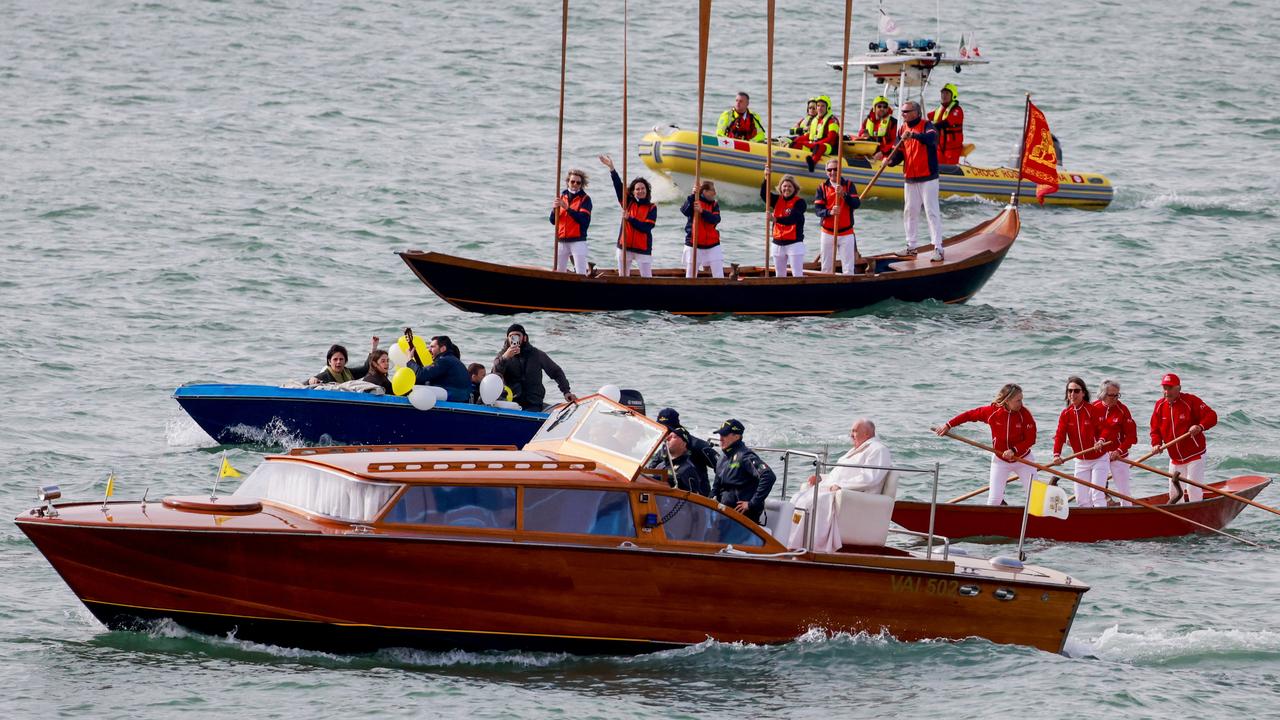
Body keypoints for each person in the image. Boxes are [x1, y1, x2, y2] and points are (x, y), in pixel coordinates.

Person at [788, 418, 893, 553]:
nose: (851, 435)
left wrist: (842, 486)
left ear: (867, 433)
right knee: (798, 498)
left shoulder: (879, 450)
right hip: (836, 488)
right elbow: (840, 474)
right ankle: (793, 541)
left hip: (855, 495)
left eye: (855, 431)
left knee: (812, 502)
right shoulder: (857, 449)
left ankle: (808, 546)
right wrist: (822, 479)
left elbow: (870, 478)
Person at [934, 383, 1037, 506]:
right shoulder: (993, 412)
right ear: (1007, 400)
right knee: (994, 501)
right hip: (1000, 461)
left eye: (1021, 399)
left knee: (1036, 499)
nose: (1021, 403)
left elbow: (1031, 439)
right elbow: (969, 415)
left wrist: (1014, 450)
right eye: (1018, 400)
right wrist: (948, 425)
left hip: (1023, 460)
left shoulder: (1025, 414)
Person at [885, 100, 944, 262]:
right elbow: (898, 152)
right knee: (910, 211)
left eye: (906, 111)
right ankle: (911, 247)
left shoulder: (927, 125)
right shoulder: (902, 129)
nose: (903, 114)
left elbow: (932, 139)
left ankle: (938, 247)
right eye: (902, 111)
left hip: (928, 177)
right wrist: (890, 161)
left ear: (916, 113)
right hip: (910, 178)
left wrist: (914, 135)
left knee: (932, 212)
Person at [1149, 373, 1217, 503]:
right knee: (1174, 493)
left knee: (1193, 489)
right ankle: (1176, 519)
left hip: (1195, 456)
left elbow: (1211, 416)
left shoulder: (1190, 401)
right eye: (1164, 388)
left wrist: (1200, 426)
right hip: (1175, 458)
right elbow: (1155, 430)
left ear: (1178, 388)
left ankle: (1196, 515)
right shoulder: (1159, 405)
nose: (1166, 391)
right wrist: (1156, 444)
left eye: (1169, 388)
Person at [1050, 376, 1109, 508]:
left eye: (1076, 391)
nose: (1072, 394)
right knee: (1081, 499)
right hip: (1080, 461)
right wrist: (1056, 454)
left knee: (1097, 494)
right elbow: (1059, 436)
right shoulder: (1066, 414)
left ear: (1083, 393)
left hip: (1099, 459)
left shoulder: (1092, 410)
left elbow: (1105, 429)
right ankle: (1088, 526)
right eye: (1070, 391)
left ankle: (1102, 525)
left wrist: (1100, 440)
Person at [492, 323, 577, 412]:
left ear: (524, 338)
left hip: (533, 403)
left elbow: (556, 372)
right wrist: (505, 358)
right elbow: (494, 376)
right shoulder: (502, 356)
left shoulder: (537, 354)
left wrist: (566, 391)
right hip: (511, 403)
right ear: (507, 339)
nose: (514, 339)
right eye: (511, 336)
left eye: (517, 336)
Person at [599, 154, 656, 278]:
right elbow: (618, 186)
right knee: (623, 278)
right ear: (633, 191)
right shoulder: (628, 202)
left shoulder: (652, 207)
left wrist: (630, 218)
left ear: (647, 190)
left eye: (643, 188)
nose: (640, 191)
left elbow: (646, 227)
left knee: (647, 278)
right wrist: (611, 168)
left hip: (643, 249)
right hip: (624, 247)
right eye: (637, 189)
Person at [711, 418, 777, 525]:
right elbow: (716, 487)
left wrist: (752, 504)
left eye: (725, 435)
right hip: (723, 514)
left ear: (737, 437)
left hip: (743, 518)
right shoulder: (722, 458)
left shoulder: (745, 456)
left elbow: (768, 476)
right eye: (720, 435)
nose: (721, 438)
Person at [1093, 379, 1137, 506]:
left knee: (1124, 492)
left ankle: (1127, 516)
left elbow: (1131, 437)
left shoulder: (1123, 410)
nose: (1115, 398)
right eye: (1111, 395)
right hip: (1098, 458)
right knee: (1095, 491)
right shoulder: (1093, 408)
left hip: (1119, 456)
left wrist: (1119, 451)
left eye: (1117, 395)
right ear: (1102, 394)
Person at [813, 158, 861, 275]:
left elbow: (856, 204)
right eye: (830, 170)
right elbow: (818, 211)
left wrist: (843, 195)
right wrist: (830, 212)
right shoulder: (822, 187)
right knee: (826, 269)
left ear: (840, 170)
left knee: (848, 269)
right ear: (826, 171)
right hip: (828, 233)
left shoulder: (849, 185)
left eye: (835, 169)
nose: (833, 172)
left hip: (846, 233)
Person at [655, 407, 719, 491]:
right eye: (659, 428)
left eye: (666, 429)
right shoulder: (664, 448)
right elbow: (652, 469)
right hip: (671, 494)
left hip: (698, 495)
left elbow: (721, 467)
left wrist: (715, 493)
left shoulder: (698, 446)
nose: (663, 433)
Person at [760, 174, 807, 277]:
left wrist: (775, 219)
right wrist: (766, 177)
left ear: (795, 188)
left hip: (794, 244)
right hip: (777, 243)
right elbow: (764, 194)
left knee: (797, 275)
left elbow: (792, 219)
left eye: (790, 186)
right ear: (780, 188)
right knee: (780, 275)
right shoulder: (776, 200)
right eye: (784, 186)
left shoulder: (800, 202)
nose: (787, 189)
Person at [550, 168, 592, 274]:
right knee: (559, 272)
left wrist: (567, 208)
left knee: (580, 272)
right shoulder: (561, 197)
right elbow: (553, 221)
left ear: (581, 184)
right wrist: (554, 209)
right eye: (572, 181)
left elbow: (583, 220)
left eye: (578, 182)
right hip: (561, 240)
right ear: (568, 182)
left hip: (578, 241)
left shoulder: (585, 199)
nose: (575, 184)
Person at [408, 335, 471, 403]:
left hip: (453, 396)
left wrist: (410, 360)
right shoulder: (453, 360)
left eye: (432, 347)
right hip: (462, 397)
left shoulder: (445, 360)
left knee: (408, 389)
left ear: (443, 349)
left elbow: (421, 375)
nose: (429, 350)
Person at [680, 181, 723, 278]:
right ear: (705, 191)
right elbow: (684, 211)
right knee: (690, 275)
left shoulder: (714, 205)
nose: (715, 193)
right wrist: (692, 195)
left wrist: (702, 211)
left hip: (712, 244)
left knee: (719, 274)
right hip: (693, 242)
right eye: (713, 190)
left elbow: (716, 219)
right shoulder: (694, 201)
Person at [307, 338, 375, 385]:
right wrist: (311, 380)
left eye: (341, 359)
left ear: (345, 361)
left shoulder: (349, 373)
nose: (338, 362)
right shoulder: (325, 376)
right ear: (329, 361)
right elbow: (304, 385)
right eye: (335, 359)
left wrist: (373, 348)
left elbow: (365, 369)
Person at [800, 95, 840, 173]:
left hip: (829, 147)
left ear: (827, 108)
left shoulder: (833, 120)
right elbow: (810, 136)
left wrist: (815, 144)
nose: (820, 108)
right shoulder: (815, 120)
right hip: (815, 144)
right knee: (798, 143)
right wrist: (797, 141)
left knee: (819, 147)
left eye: (822, 106)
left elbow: (831, 139)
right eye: (818, 106)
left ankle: (812, 164)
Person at [666, 427, 711, 496]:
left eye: (673, 437)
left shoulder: (687, 470)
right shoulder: (662, 465)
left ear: (684, 444)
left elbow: (693, 500)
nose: (668, 439)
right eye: (669, 436)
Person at [931, 83, 965, 165]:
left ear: (953, 95)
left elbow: (946, 123)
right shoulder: (939, 110)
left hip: (952, 148)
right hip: (940, 146)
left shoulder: (957, 110)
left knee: (949, 170)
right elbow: (927, 117)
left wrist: (930, 127)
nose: (944, 95)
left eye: (947, 93)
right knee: (937, 167)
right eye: (942, 93)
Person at [856, 95, 898, 160]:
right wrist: (863, 135)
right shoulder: (867, 121)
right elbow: (860, 135)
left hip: (885, 154)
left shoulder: (892, 122)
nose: (882, 108)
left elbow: (894, 142)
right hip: (868, 152)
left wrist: (882, 152)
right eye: (879, 106)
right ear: (874, 108)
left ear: (887, 109)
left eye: (885, 107)